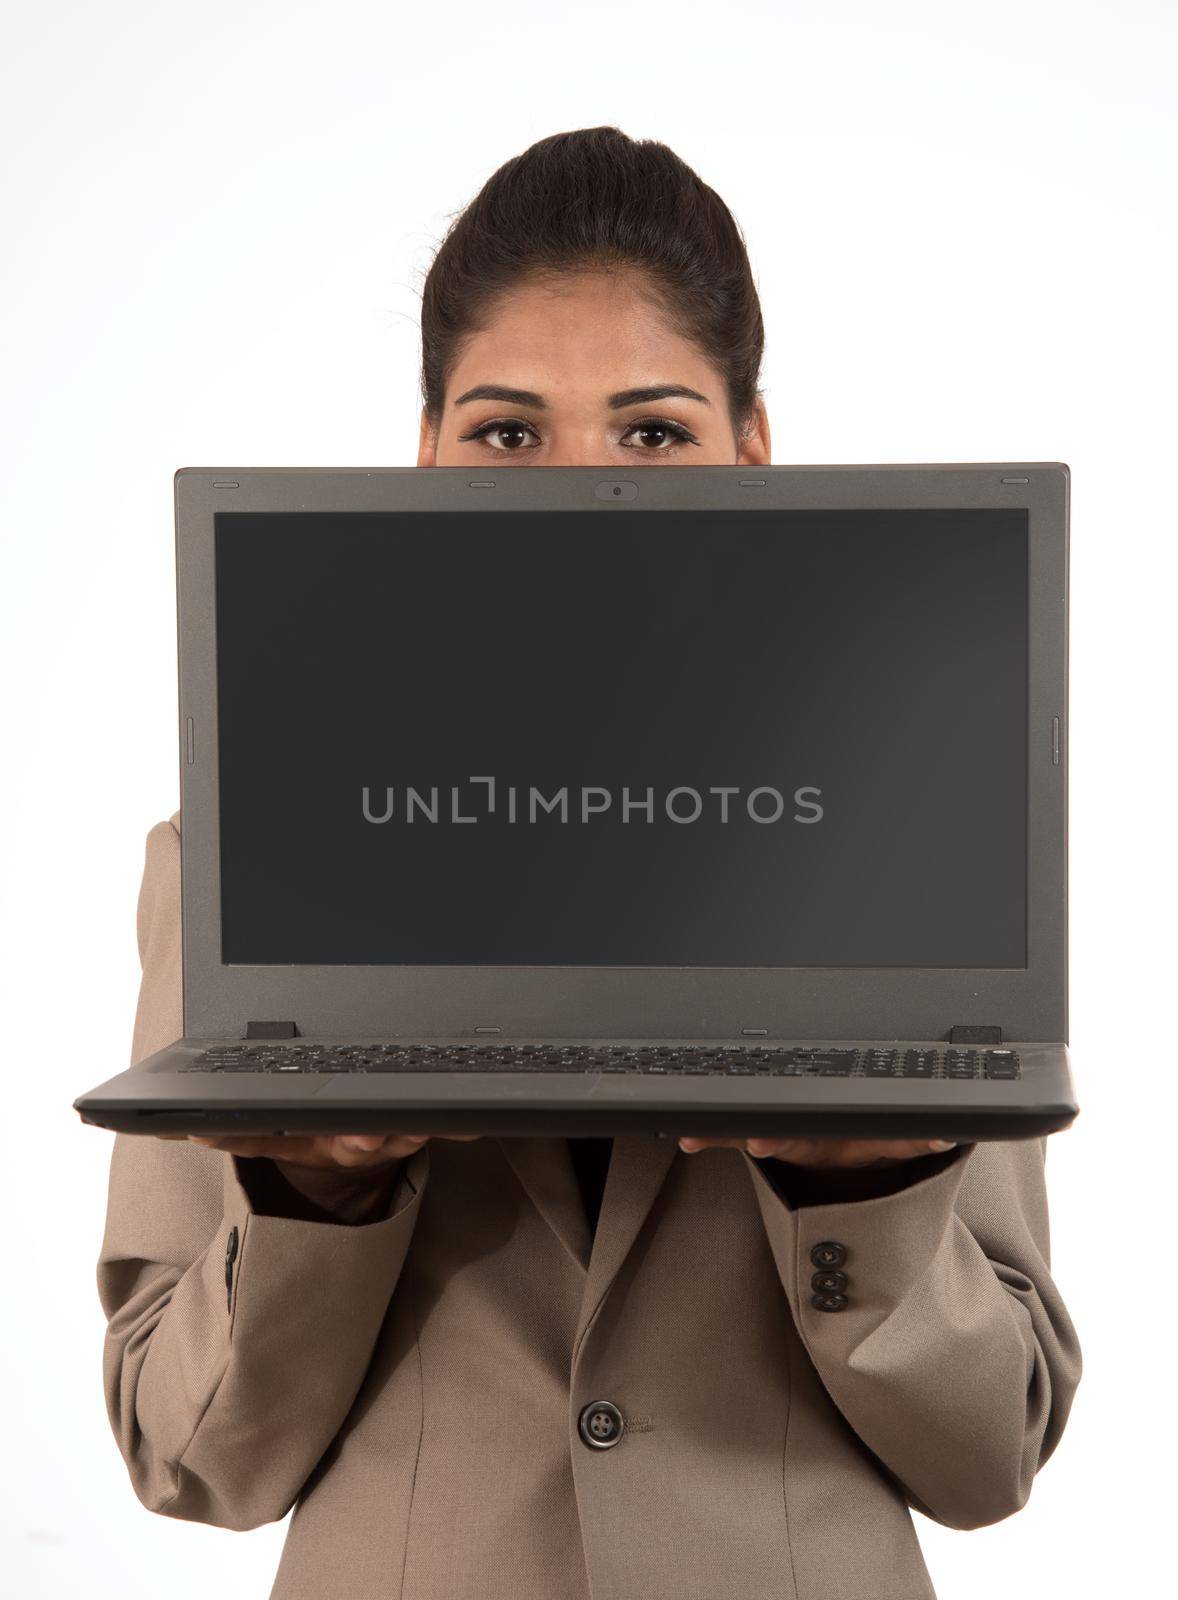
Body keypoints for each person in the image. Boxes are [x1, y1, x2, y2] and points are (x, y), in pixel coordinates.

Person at [97, 126, 1082, 1600]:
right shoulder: (245, 853)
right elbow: (190, 1462)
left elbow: (986, 1453)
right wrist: (316, 1202)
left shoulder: (901, 846)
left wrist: (864, 1193)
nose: (573, 493)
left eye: (650, 431)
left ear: (749, 451)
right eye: (506, 434)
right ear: (424, 452)